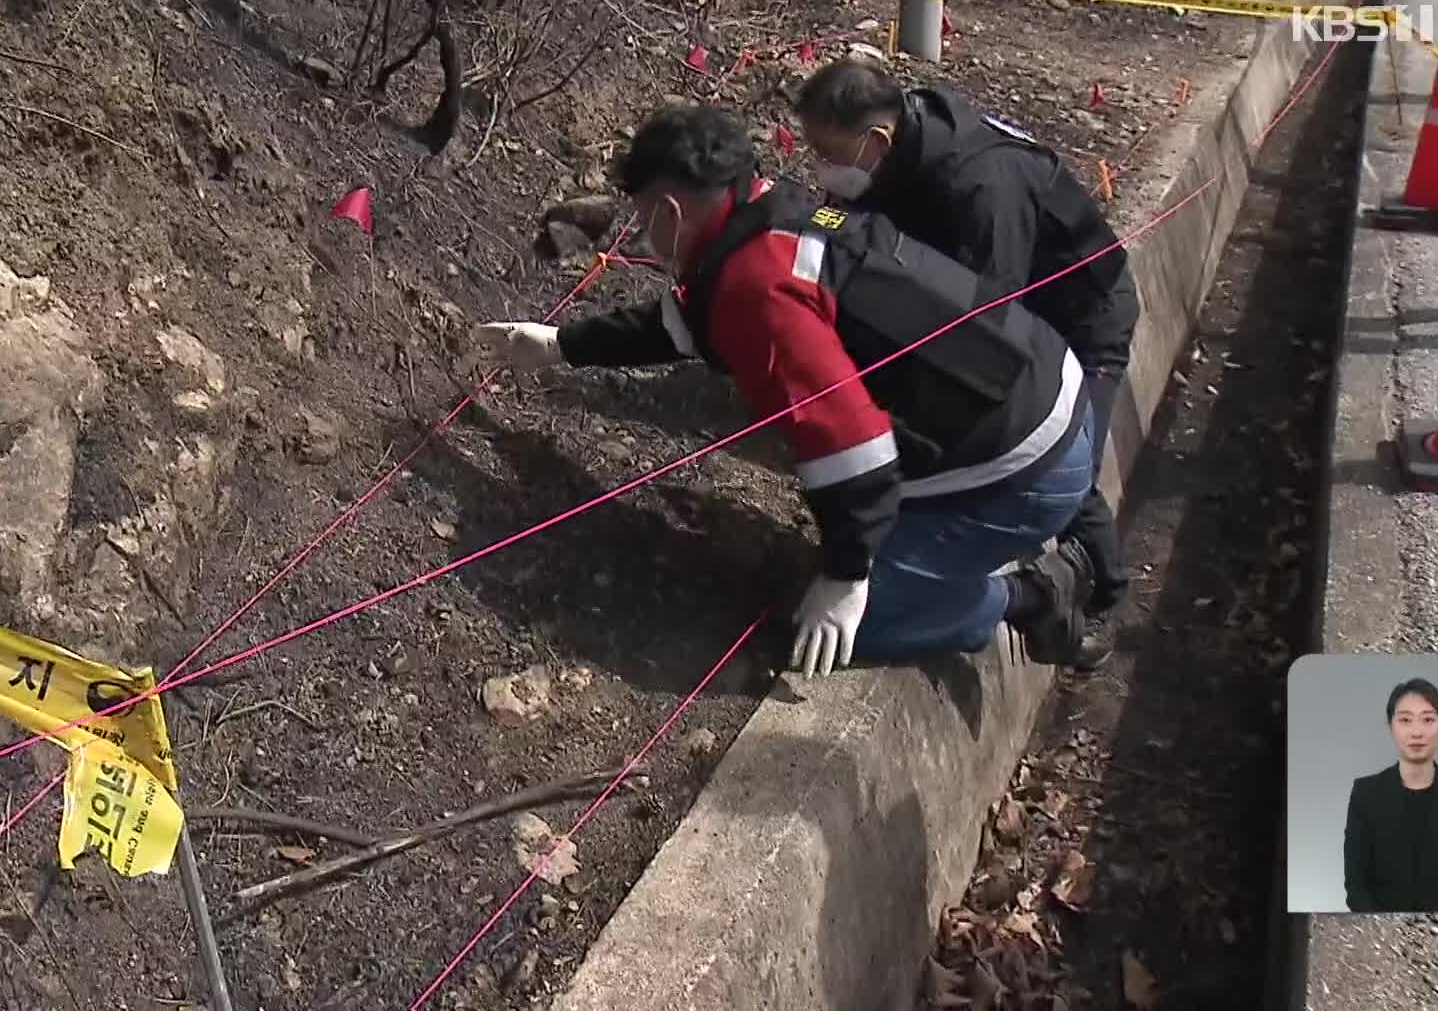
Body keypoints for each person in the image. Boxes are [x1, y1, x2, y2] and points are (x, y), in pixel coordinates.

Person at [471, 103, 1105, 677]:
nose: (641, 234)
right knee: (843, 562)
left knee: (844, 624)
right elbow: (689, 322)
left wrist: (848, 575)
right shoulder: (775, 218)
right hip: (1028, 385)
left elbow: (852, 450)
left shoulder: (759, 289)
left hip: (1021, 454)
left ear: (669, 212)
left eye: (642, 219)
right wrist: (562, 345)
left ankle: (1026, 597)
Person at [792, 59, 1140, 622]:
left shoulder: (982, 190)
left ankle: (1102, 587)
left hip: (1084, 317)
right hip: (1028, 303)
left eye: (829, 154)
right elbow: (854, 220)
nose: (822, 167)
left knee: (1063, 450)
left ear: (877, 138)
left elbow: (986, 324)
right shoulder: (910, 141)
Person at [1341, 677, 1438, 913]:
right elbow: (1356, 886)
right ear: (1390, 726)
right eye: (1405, 720)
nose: (1417, 732)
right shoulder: (1365, 794)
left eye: (1428, 719)